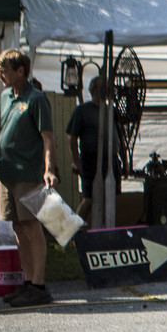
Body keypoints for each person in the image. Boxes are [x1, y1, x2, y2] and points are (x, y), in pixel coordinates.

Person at [0, 49, 59, 307]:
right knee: (18, 227)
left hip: (28, 174)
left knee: (31, 226)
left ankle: (39, 285)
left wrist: (49, 169)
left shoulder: (36, 99)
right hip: (7, 173)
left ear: (20, 71)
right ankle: (28, 283)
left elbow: (48, 138)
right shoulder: (7, 97)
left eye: (4, 71)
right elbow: (0, 126)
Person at [65, 77, 123, 228]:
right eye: (104, 87)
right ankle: (73, 231)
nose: (108, 90)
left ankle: (103, 231)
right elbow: (72, 137)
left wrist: (124, 159)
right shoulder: (82, 111)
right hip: (90, 161)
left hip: (111, 160)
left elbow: (119, 136)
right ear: (94, 90)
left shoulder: (111, 110)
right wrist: (75, 160)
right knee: (89, 198)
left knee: (109, 198)